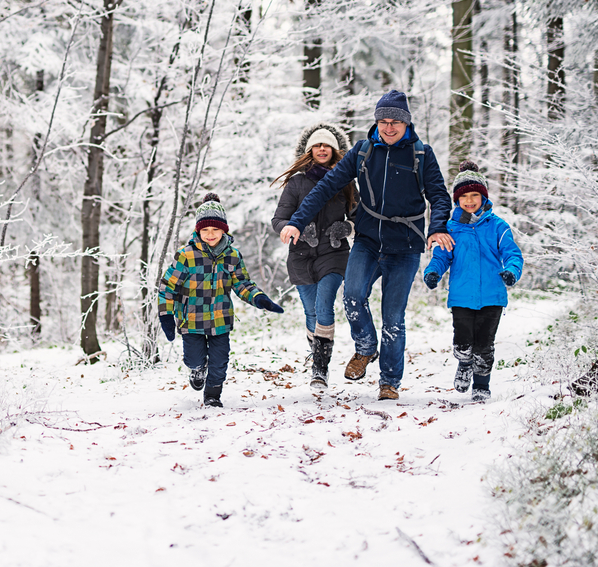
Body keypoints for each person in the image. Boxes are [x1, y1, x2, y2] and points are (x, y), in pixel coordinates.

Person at [280, 90, 452, 401]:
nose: (388, 128)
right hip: (369, 240)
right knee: (353, 295)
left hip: (406, 245)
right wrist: (296, 220)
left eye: (395, 123)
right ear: (376, 122)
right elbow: (325, 188)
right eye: (383, 121)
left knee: (393, 315)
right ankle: (365, 347)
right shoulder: (362, 152)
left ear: (406, 124)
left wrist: (437, 227)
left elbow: (439, 195)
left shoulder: (421, 154)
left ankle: (389, 381)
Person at [158, 192, 284, 408]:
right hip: (192, 321)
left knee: (219, 363)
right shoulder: (186, 255)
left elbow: (242, 283)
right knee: (194, 359)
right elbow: (168, 285)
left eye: (215, 229)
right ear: (198, 230)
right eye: (205, 230)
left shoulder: (232, 256)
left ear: (224, 230)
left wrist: (259, 298)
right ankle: (197, 370)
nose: (210, 234)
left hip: (220, 319)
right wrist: (166, 315)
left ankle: (212, 396)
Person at [423, 161, 523, 402]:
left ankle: (481, 385)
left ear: (483, 196)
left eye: (475, 195)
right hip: (462, 295)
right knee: (463, 341)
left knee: (484, 345)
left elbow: (512, 254)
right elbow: (442, 256)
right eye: (464, 196)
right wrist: (433, 271)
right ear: (457, 200)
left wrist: (511, 271)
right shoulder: (450, 228)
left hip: (492, 296)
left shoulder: (498, 226)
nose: (469, 200)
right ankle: (464, 363)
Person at [271, 123, 357, 390]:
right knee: (310, 313)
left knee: (323, 305)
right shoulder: (296, 183)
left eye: (327, 145)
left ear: (334, 150)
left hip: (334, 252)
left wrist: (347, 227)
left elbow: (359, 217)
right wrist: (292, 228)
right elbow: (279, 219)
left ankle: (319, 369)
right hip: (301, 255)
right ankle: (319, 351)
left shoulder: (345, 181)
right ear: (309, 151)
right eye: (317, 145)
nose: (322, 149)